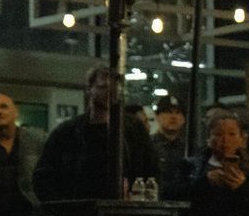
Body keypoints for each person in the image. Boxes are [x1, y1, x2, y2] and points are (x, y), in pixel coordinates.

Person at [33, 65, 160, 201]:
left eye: (114, 88)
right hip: (81, 212)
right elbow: (43, 176)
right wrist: (64, 208)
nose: (109, 92)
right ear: (89, 89)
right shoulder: (68, 132)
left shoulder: (133, 129)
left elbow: (151, 169)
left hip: (123, 211)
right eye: (103, 87)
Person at [149, 97, 189, 190]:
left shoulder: (189, 148)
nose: (173, 117)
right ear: (157, 117)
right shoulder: (148, 146)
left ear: (184, 119)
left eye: (178, 113)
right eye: (168, 112)